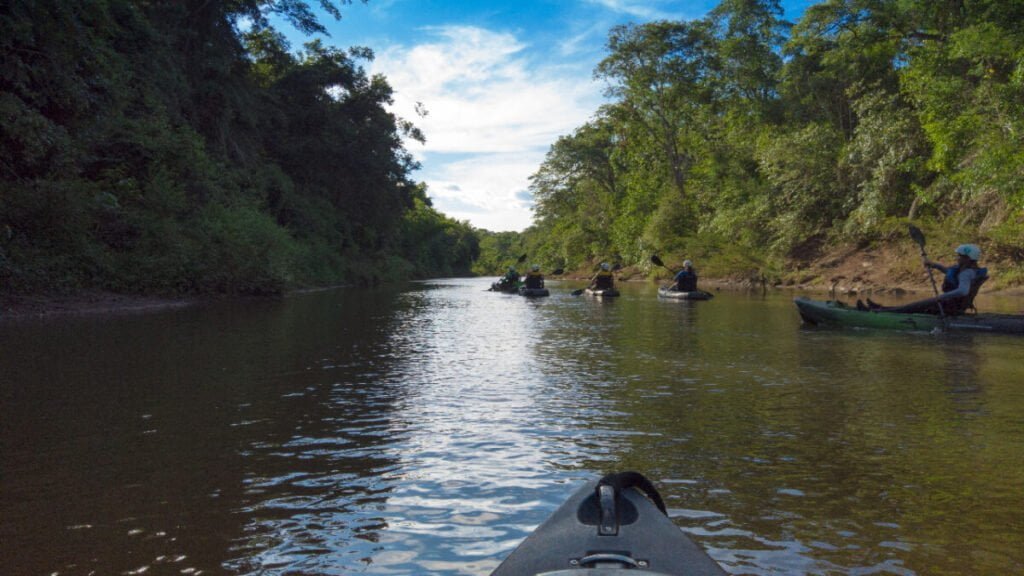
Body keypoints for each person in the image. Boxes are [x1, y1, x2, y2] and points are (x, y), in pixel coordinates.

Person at [859, 244, 988, 315]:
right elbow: (950, 273)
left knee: (912, 307)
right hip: (950, 304)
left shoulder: (966, 273)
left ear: (968, 258)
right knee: (912, 306)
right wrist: (933, 265)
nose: (957, 258)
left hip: (949, 307)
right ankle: (880, 308)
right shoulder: (968, 270)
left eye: (960, 256)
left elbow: (963, 291)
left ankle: (877, 311)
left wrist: (940, 297)